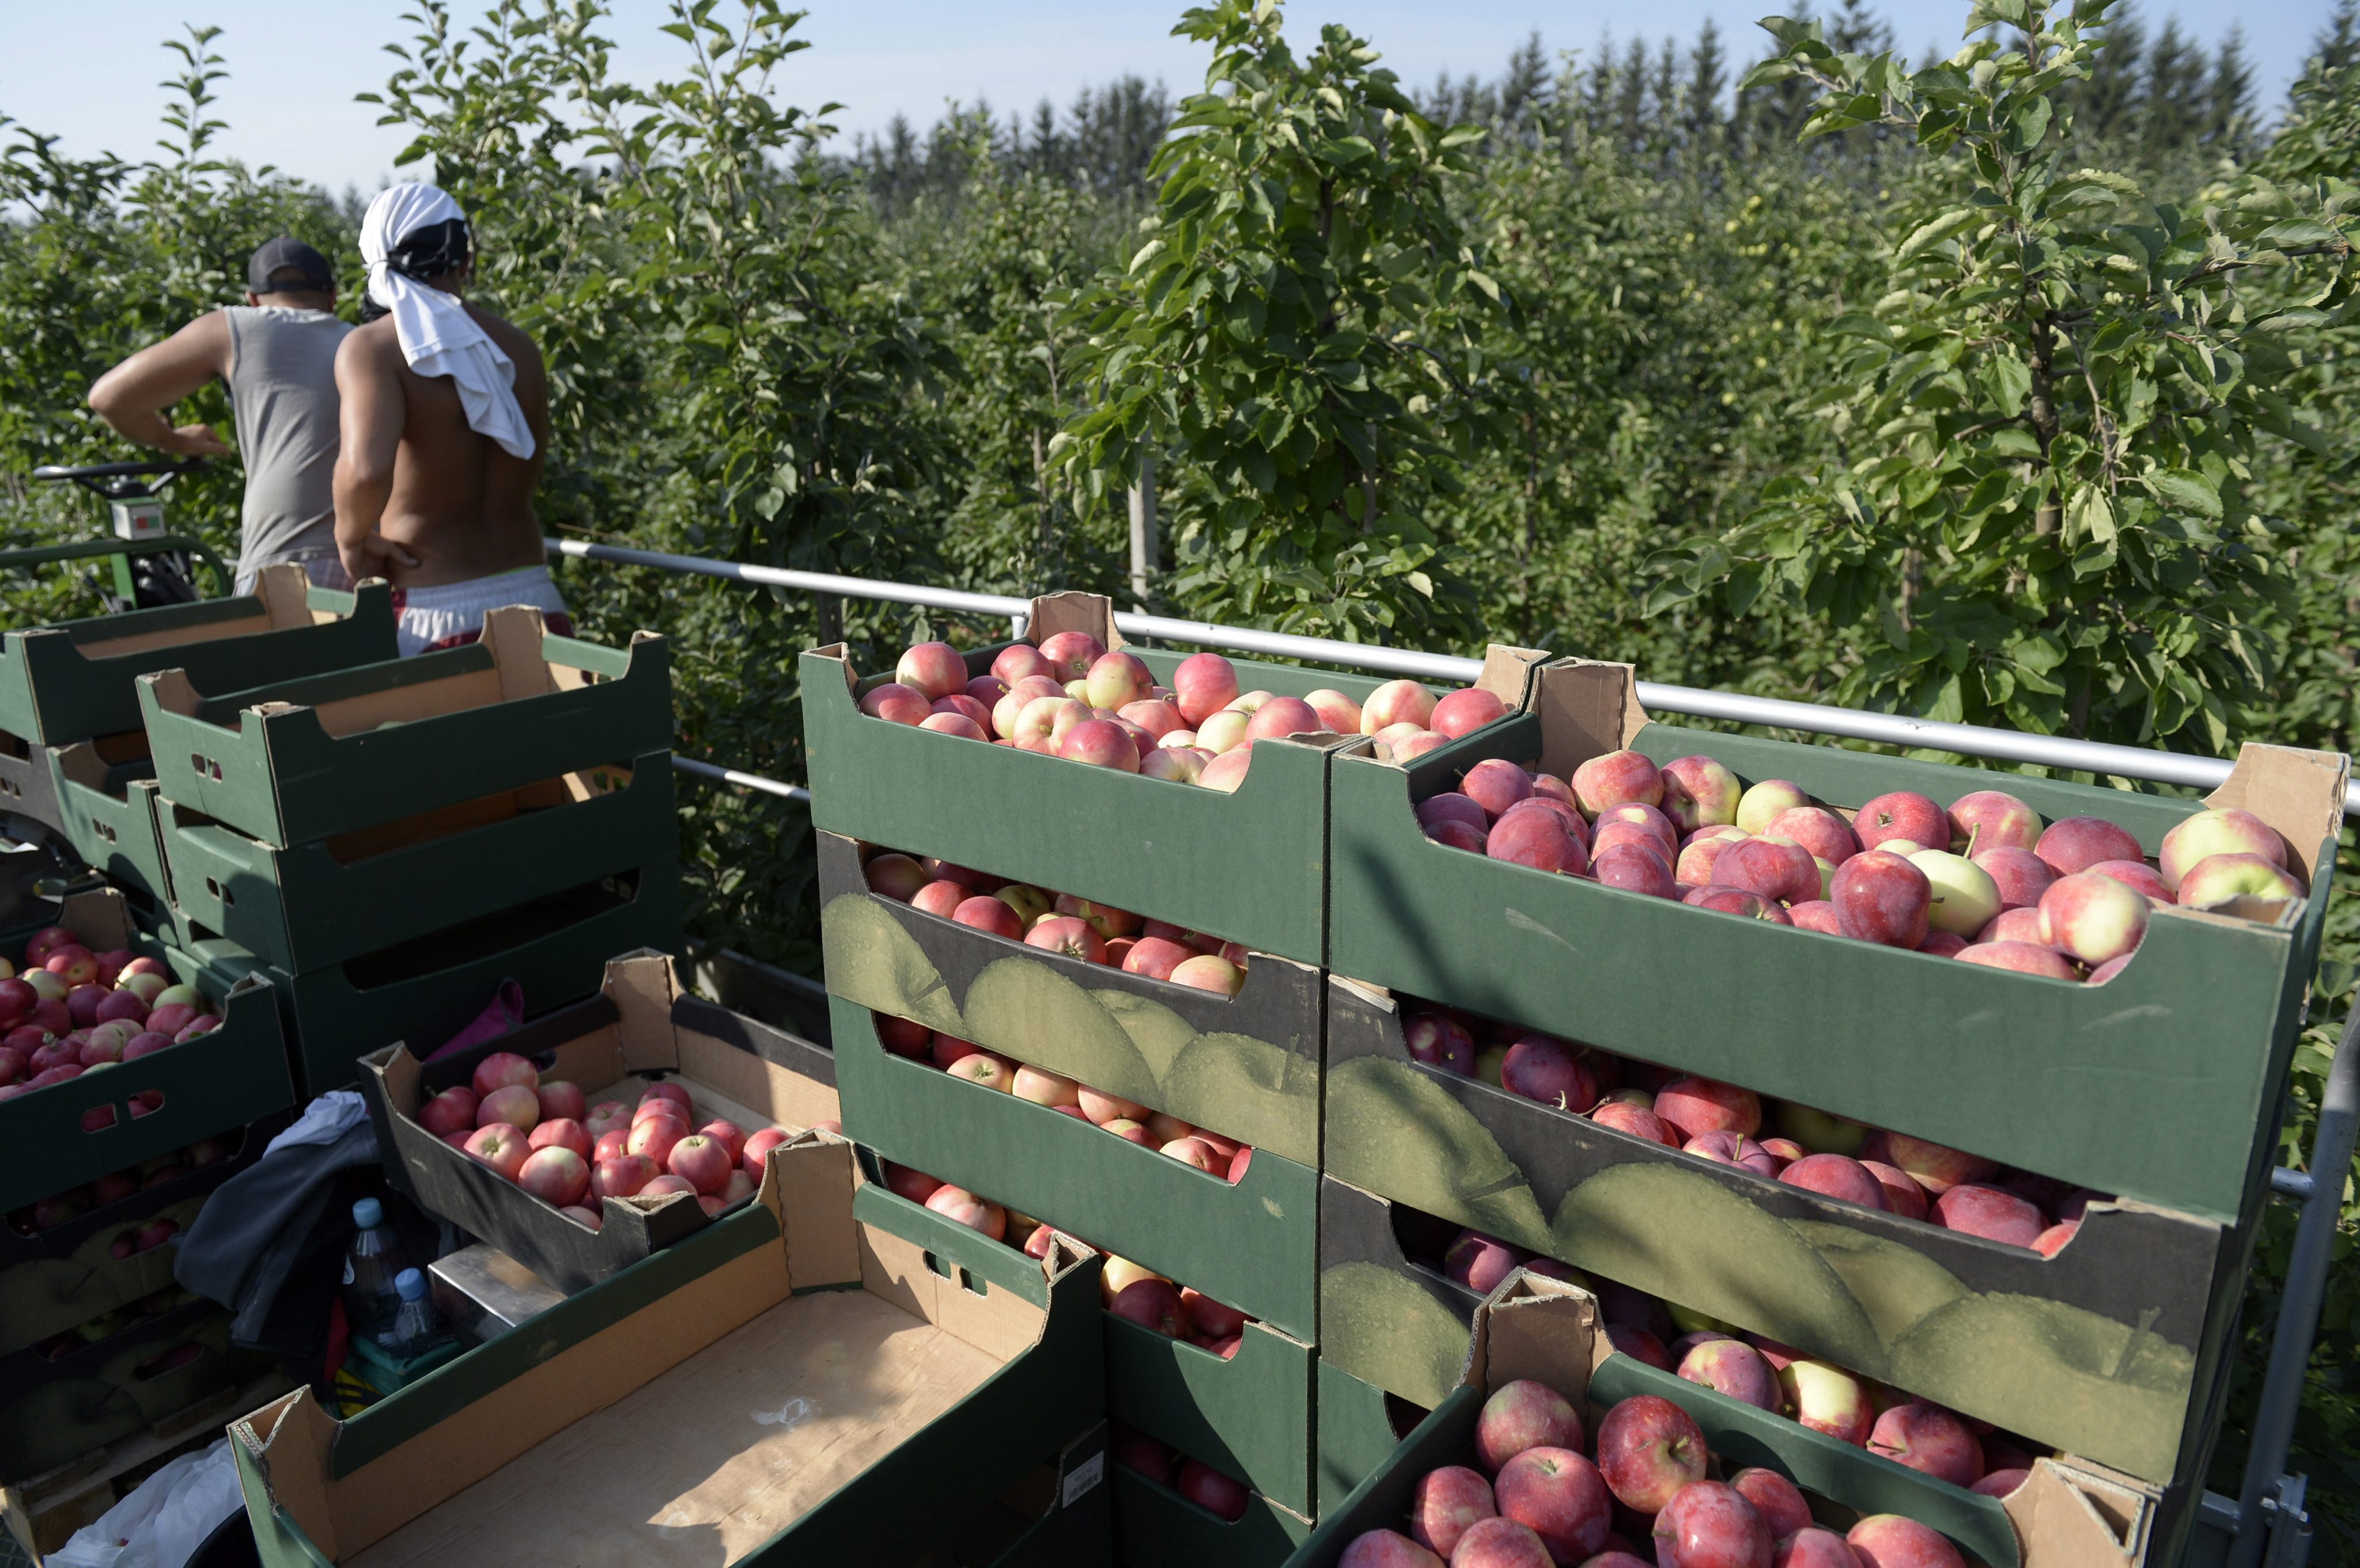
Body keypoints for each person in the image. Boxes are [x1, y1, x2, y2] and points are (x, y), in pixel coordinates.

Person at [334, 183, 572, 656]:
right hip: (537, 598)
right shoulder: (519, 348)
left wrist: (351, 539)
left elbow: (366, 471)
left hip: (434, 607)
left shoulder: (373, 348)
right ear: (466, 262)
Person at [86, 238, 354, 594]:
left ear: (253, 300)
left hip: (285, 556)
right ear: (333, 297)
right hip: (373, 554)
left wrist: (174, 440)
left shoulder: (234, 326)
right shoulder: (364, 341)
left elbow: (109, 398)